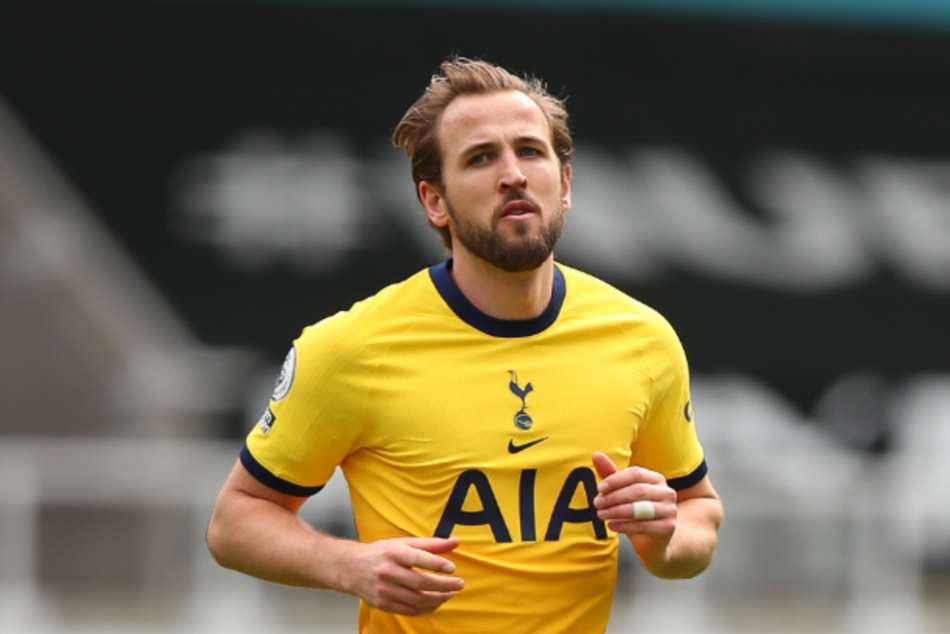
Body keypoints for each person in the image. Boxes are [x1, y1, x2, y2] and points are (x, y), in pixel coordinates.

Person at [207, 57, 723, 633]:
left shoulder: (642, 338)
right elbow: (235, 522)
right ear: (435, 201)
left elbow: (698, 512)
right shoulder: (352, 348)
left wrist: (663, 536)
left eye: (530, 151)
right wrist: (349, 565)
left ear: (565, 183)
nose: (513, 175)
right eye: (481, 158)